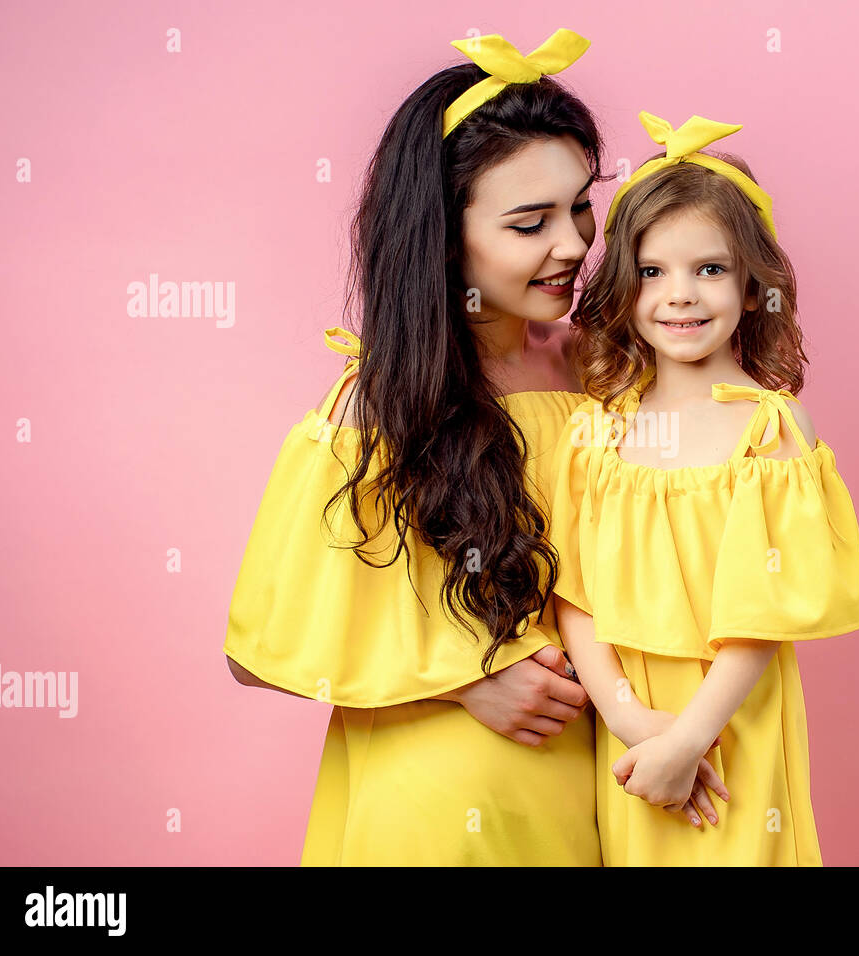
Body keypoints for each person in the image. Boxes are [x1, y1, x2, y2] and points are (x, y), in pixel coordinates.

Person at [223, 29, 607, 865]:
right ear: (443, 236)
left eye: (581, 205)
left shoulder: (599, 370)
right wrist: (464, 675)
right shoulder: (377, 408)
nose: (574, 244)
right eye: (528, 222)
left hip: (600, 789)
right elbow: (259, 651)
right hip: (443, 808)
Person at [549, 111, 859, 865]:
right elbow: (574, 596)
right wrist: (637, 726)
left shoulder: (771, 431)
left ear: (752, 283)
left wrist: (691, 738)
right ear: (626, 283)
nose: (680, 296)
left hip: (729, 728)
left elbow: (764, 612)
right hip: (630, 738)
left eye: (710, 269)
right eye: (654, 271)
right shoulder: (597, 431)